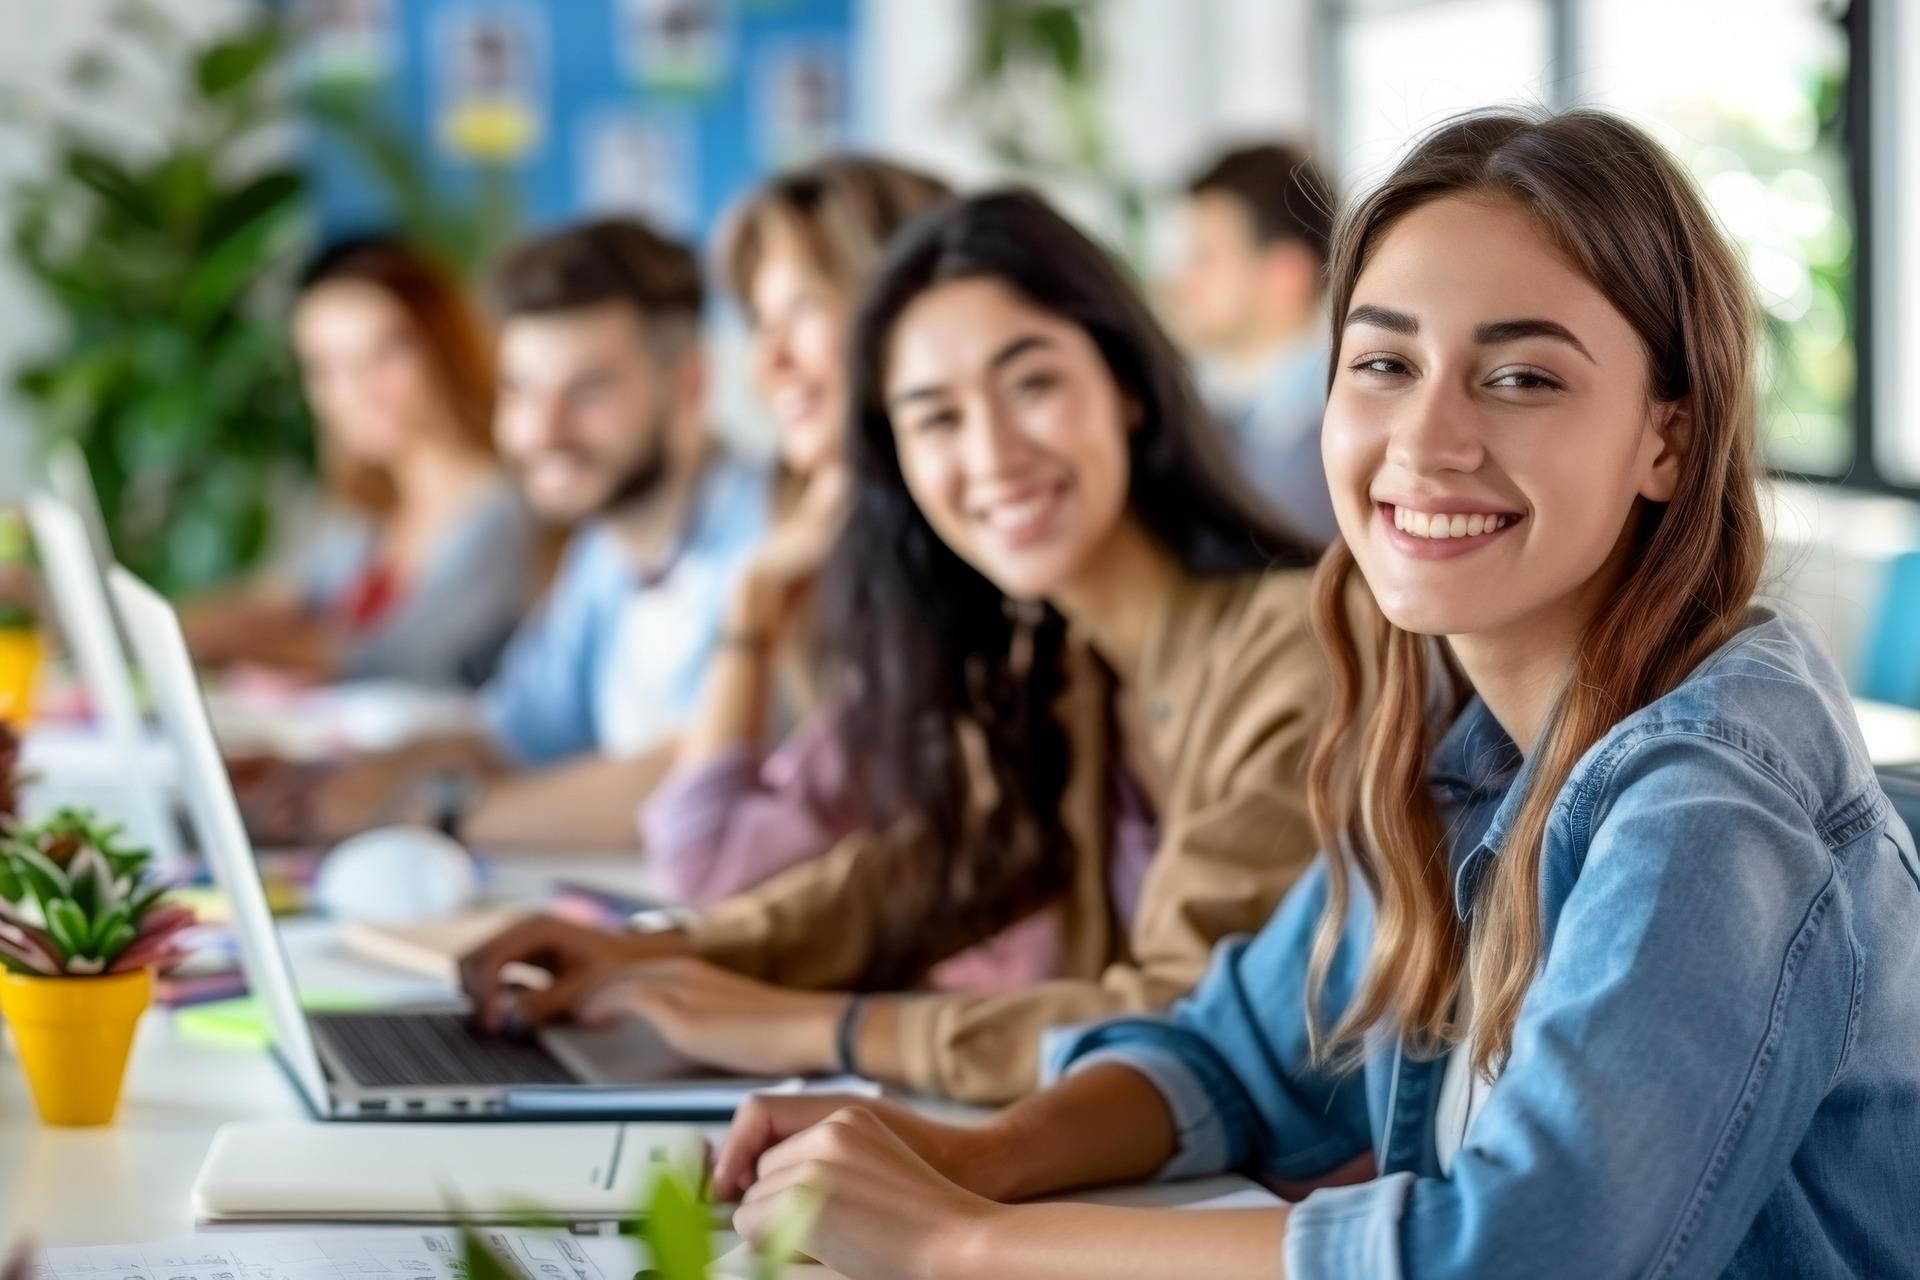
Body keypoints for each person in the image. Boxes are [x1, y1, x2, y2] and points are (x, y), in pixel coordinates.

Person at [706, 108, 1920, 1279]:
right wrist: (964, 1154)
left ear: (1669, 433)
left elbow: (1524, 1251)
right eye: (1385, 361)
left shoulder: (1712, 783)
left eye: (1523, 378)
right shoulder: (1460, 737)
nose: (1426, 437)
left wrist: (954, 1242)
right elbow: (1229, 1057)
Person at [460, 189, 1337, 1105]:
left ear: (1126, 387)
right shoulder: (1061, 660)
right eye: (935, 418)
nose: (992, 454)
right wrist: (651, 953)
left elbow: (1193, 1015)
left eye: (1031, 383)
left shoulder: (1296, 650)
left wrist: (814, 1030)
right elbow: (917, 877)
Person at [257, 218, 768, 850]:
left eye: (586, 389)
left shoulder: (763, 536)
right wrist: (335, 783)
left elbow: (687, 780)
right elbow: (517, 733)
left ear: (688, 382)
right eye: (521, 389)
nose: (541, 430)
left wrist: (429, 817)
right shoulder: (606, 547)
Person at [641, 155, 951, 903]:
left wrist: (749, 609)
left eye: (804, 310)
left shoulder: (949, 579)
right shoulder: (842, 543)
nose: (768, 362)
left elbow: (702, 864)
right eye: (757, 322)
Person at [184, 237, 535, 688]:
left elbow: (392, 658)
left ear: (441, 347)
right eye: (325, 368)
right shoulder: (369, 514)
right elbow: (285, 597)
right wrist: (163, 625)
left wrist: (203, 640)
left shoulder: (502, 511)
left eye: (382, 355)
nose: (353, 392)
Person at [1166, 143, 1339, 546]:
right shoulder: (1239, 422)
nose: (1180, 282)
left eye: (1203, 258)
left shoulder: (1319, 446)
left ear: (1286, 275)